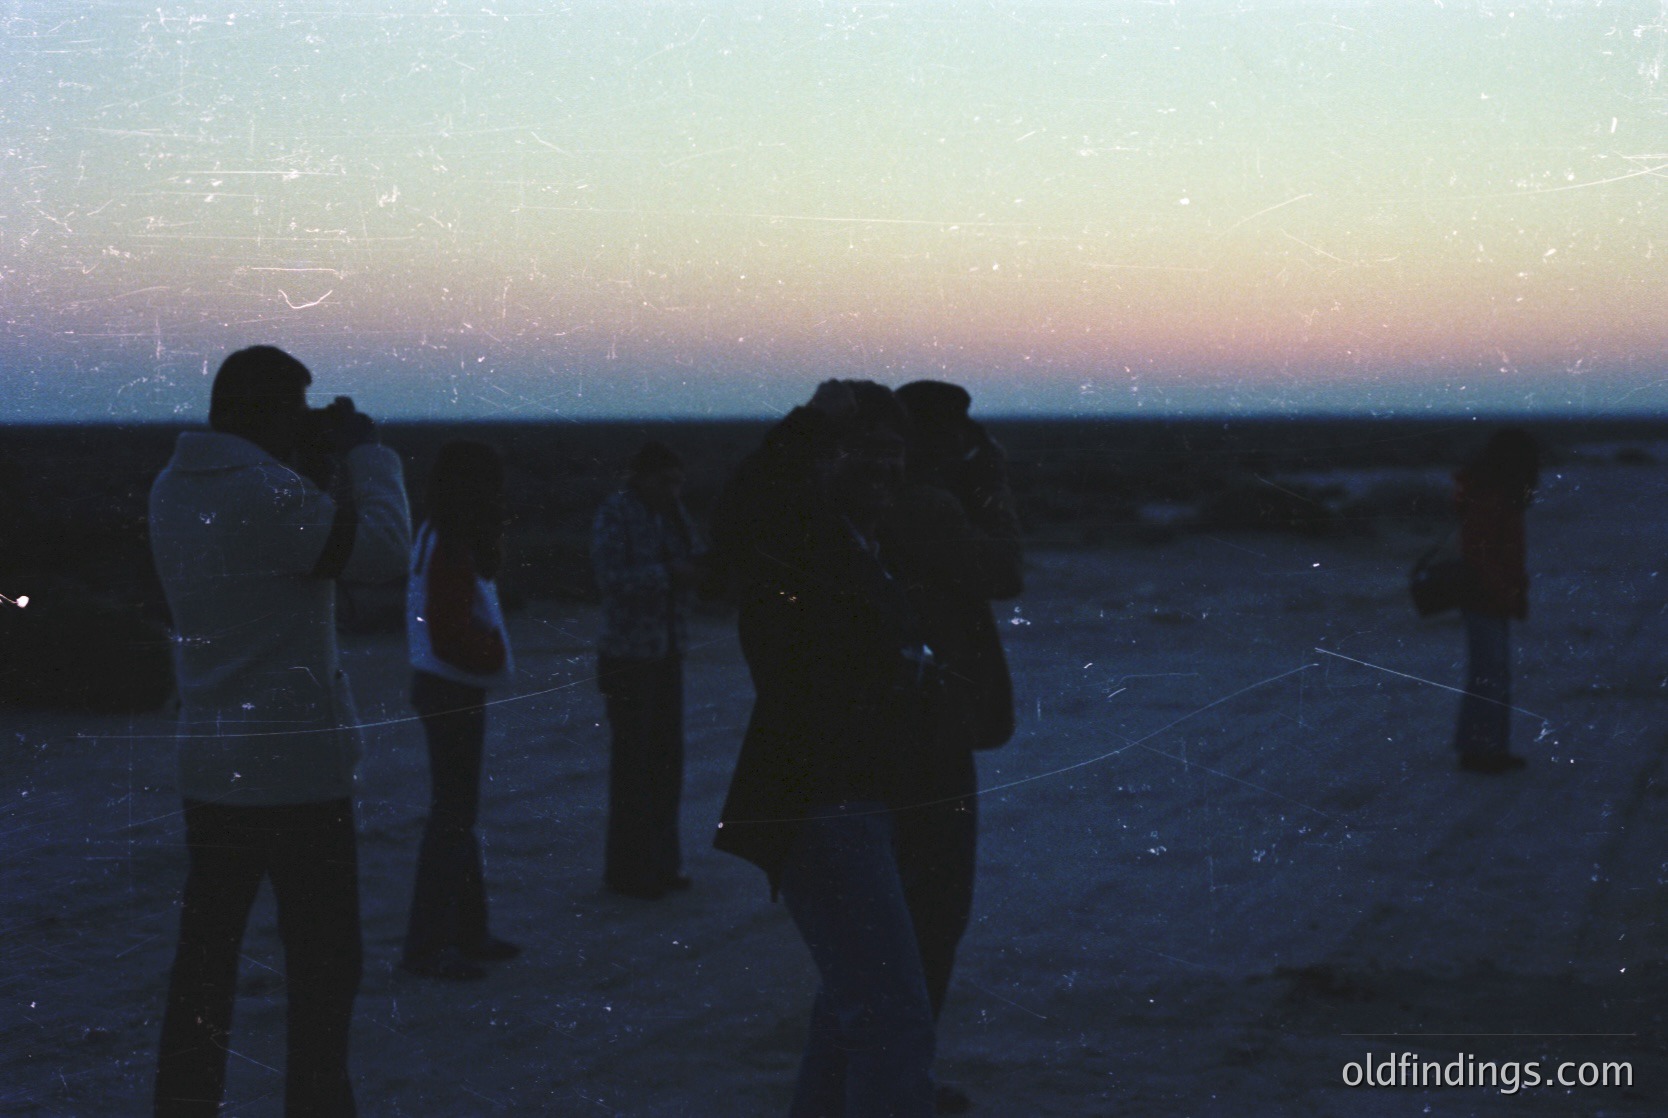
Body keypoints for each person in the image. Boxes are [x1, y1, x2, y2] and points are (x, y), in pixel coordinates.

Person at [149, 345, 411, 1117]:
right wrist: (368, 454)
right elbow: (383, 553)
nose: (304, 421)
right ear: (262, 408)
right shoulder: (269, 492)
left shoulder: (173, 487)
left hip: (212, 767)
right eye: (295, 407)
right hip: (297, 777)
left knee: (205, 965)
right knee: (325, 970)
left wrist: (317, 468)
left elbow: (294, 560)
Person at [713, 381, 939, 1117]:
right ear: (826, 459)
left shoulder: (860, 549)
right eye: (866, 452)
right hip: (824, 803)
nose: (886, 469)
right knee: (893, 1020)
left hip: (862, 803)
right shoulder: (801, 543)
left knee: (853, 1015)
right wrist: (809, 425)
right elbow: (748, 505)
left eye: (896, 455)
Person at [884, 380, 1023, 1116]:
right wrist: (991, 486)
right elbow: (1006, 570)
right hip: (930, 732)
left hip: (881, 727)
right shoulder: (931, 509)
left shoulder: (866, 504)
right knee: (931, 919)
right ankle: (899, 1084)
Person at [401, 439, 521, 980]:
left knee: (457, 814)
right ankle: (430, 947)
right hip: (451, 687)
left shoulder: (437, 535)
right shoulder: (448, 544)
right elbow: (450, 632)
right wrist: (494, 651)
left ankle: (468, 934)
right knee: (452, 818)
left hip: (441, 685)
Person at [590, 441, 705, 899]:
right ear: (640, 477)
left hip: (668, 651)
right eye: (665, 481)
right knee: (633, 767)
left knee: (665, 763)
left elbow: (696, 557)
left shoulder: (673, 515)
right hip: (629, 655)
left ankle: (662, 863)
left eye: (678, 482)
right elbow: (610, 579)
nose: (673, 490)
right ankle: (629, 871)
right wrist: (668, 575)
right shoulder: (615, 514)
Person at [1452, 427, 1539, 774]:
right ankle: (1482, 752)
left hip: (1490, 593)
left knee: (1491, 673)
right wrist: (1505, 590)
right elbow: (1482, 554)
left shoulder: (1492, 493)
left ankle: (1486, 749)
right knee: (1490, 674)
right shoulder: (1492, 497)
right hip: (1486, 594)